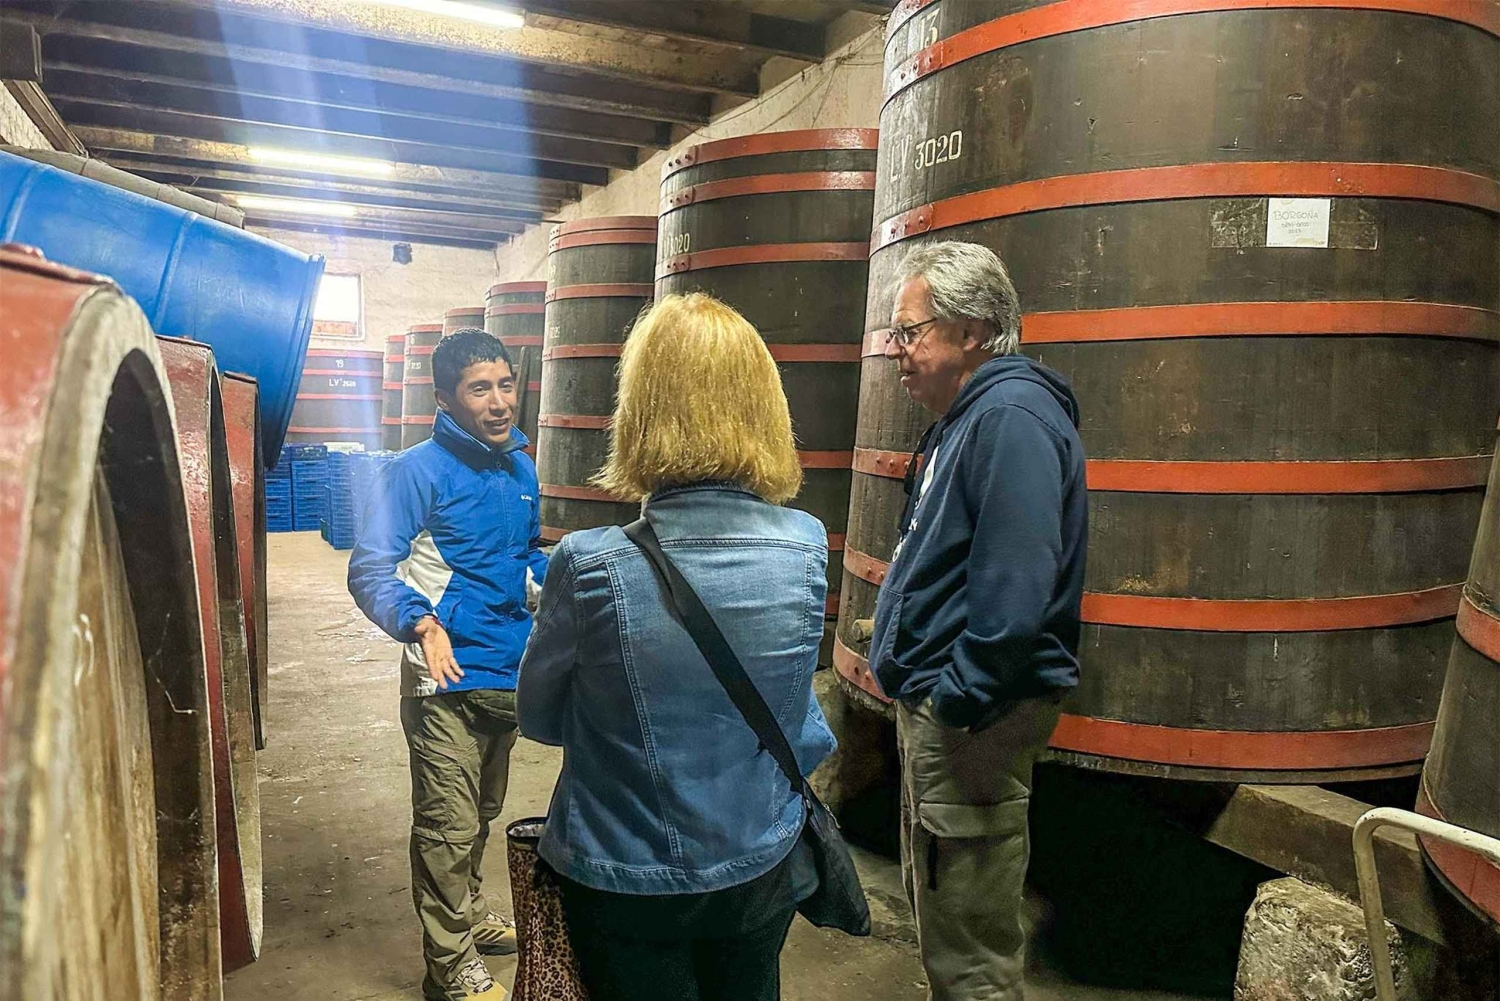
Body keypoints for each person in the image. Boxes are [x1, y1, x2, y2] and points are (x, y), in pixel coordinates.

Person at [517, 293, 836, 1001]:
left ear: (641, 411)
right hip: (759, 860)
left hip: (625, 874)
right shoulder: (807, 545)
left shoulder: (591, 563)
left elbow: (537, 717)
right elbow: (796, 717)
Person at [869, 242, 1087, 1001]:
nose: (896, 350)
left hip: (972, 719)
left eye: (910, 331)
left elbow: (1015, 592)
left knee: (971, 949)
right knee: (945, 914)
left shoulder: (1011, 419)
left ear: (970, 331)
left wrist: (956, 700)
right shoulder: (968, 419)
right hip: (946, 711)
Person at [349, 327, 548, 1001]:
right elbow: (370, 568)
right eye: (479, 389)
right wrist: (422, 622)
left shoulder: (521, 468)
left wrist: (573, 579)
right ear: (444, 398)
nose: (499, 402)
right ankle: (449, 964)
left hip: (505, 671)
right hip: (442, 680)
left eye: (506, 385)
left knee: (482, 810)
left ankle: (468, 910)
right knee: (447, 824)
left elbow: (527, 557)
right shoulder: (416, 471)